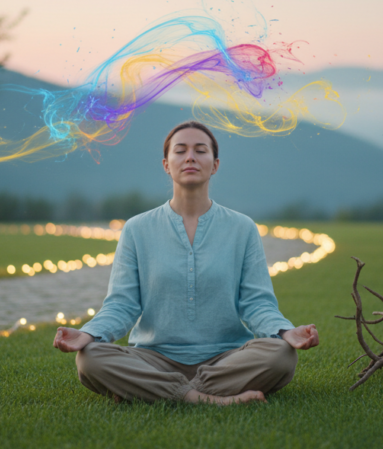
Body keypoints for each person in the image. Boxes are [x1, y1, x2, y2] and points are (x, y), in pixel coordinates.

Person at [53, 120, 319, 405]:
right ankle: (209, 398)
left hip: (227, 358)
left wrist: (284, 331)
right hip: (153, 358)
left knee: (281, 354)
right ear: (166, 164)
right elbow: (122, 304)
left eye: (200, 150)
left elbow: (257, 303)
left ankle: (155, 392)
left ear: (215, 164)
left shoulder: (242, 228)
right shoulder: (136, 229)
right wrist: (90, 333)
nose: (190, 157)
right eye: (180, 151)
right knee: (90, 358)